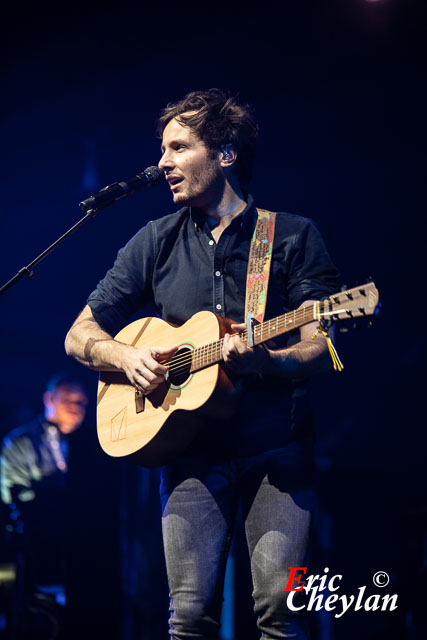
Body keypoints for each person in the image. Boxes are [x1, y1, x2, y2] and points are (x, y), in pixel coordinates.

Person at [65, 88, 339, 639]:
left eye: (178, 148)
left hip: (276, 449)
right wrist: (128, 355)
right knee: (188, 619)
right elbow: (79, 333)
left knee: (282, 616)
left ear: (226, 154)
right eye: (162, 150)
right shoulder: (155, 241)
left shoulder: (290, 236)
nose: (162, 163)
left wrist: (269, 360)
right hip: (187, 451)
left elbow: (319, 342)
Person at [1, 373, 88, 637]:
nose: (75, 407)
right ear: (48, 399)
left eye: (82, 402)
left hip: (80, 555)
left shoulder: (92, 450)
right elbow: (16, 501)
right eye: (67, 399)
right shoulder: (19, 444)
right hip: (34, 557)